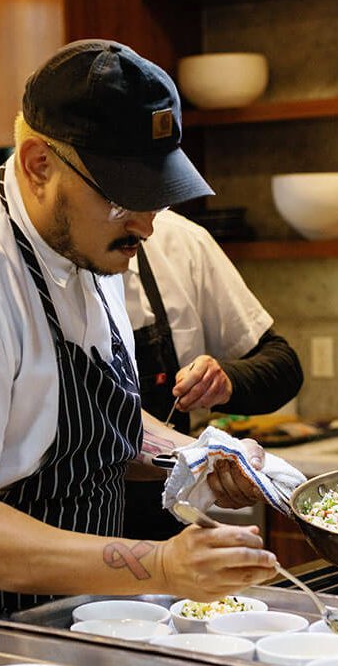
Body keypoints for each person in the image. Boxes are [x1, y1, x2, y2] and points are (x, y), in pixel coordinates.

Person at [0, 38, 279, 648]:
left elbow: (88, 418)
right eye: (124, 198)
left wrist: (196, 455)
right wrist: (163, 566)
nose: (147, 226)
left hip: (62, 607)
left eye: (156, 197)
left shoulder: (86, 246)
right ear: (39, 163)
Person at [123, 212, 303, 538]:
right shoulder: (20, 259)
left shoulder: (179, 242)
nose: (144, 228)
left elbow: (284, 367)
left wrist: (226, 381)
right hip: (62, 532)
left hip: (167, 521)